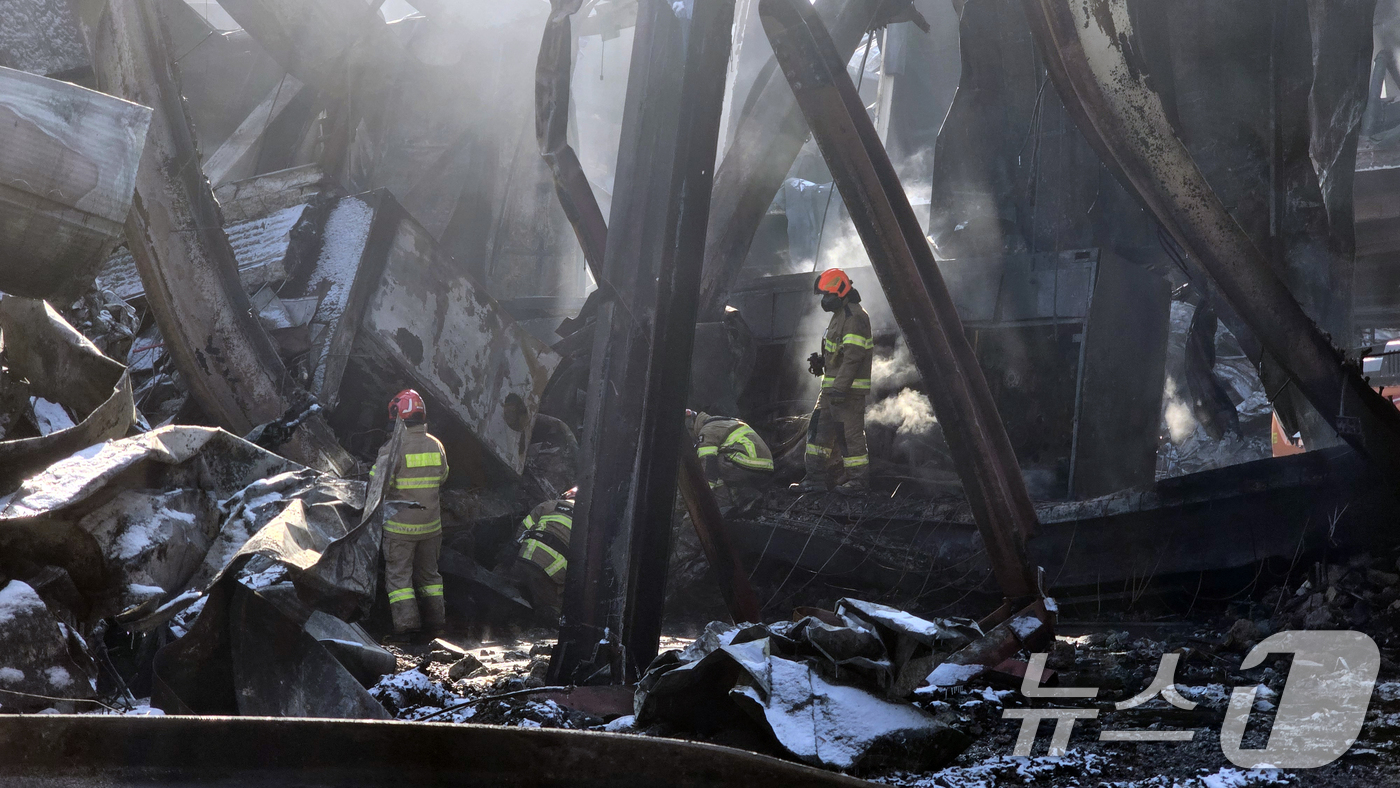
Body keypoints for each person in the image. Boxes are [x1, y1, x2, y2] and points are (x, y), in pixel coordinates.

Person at [375, 389, 449, 641]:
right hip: (431, 526)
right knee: (430, 576)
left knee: (399, 578)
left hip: (401, 529)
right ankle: (436, 625)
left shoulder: (392, 448)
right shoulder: (436, 444)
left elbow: (379, 486)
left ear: (398, 417)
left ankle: (407, 630)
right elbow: (443, 477)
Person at [791, 268, 873, 496]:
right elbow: (839, 353)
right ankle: (815, 479)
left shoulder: (855, 317)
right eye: (823, 296)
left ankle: (858, 483)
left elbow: (854, 357)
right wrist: (822, 362)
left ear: (842, 291)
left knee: (850, 436)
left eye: (828, 296)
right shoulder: (839, 316)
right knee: (818, 432)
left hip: (847, 392)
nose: (824, 301)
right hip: (830, 391)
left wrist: (840, 388)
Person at [506, 488, 575, 624]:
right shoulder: (587, 521)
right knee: (556, 610)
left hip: (525, 560)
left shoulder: (547, 505)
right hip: (551, 576)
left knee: (508, 582)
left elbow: (521, 532)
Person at [685, 409, 774, 510]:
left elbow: (708, 464)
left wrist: (703, 492)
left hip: (748, 463)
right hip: (765, 467)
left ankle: (723, 502)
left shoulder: (708, 430)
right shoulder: (721, 422)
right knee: (722, 460)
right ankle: (745, 498)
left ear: (691, 426)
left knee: (712, 461)